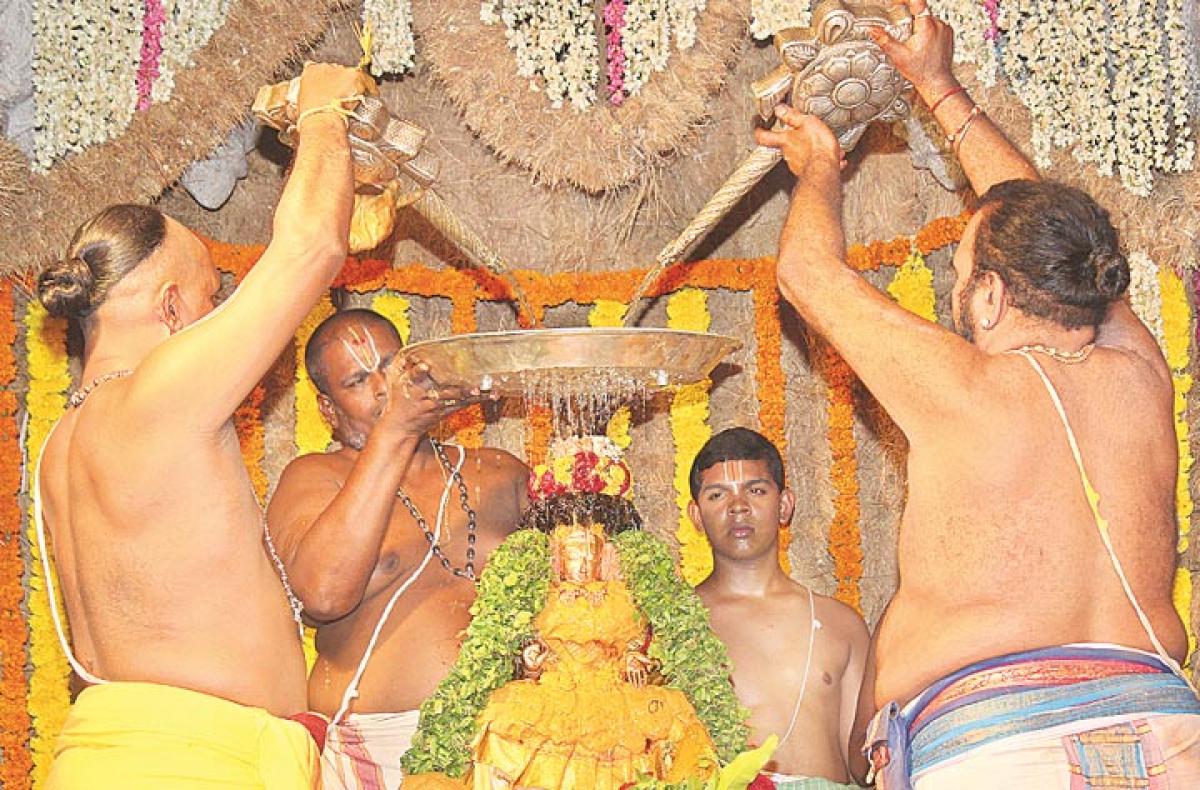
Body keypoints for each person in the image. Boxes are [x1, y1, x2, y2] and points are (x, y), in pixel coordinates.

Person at [753, 0, 1200, 786]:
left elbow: (807, 275)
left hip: (999, 746)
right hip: (1169, 733)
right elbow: (1044, 218)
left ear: (990, 298)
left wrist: (820, 167)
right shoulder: (1140, 372)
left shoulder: (961, 387)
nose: (958, 291)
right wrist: (939, 85)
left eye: (960, 274)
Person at [32, 63, 369, 787]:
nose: (219, 318)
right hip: (188, 766)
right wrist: (321, 114)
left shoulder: (63, 443)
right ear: (172, 309)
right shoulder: (161, 390)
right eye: (213, 296)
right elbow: (312, 249)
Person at [265, 308, 529, 789]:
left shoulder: (498, 472)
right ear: (328, 409)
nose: (384, 388)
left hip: (514, 743)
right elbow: (321, 596)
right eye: (359, 380)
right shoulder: (314, 478)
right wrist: (395, 432)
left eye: (391, 366)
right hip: (384, 754)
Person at [690, 428, 872, 789]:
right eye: (717, 494)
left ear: (785, 505)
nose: (737, 507)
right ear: (696, 515)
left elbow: (864, 766)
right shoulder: (673, 624)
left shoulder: (840, 624)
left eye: (755, 490)